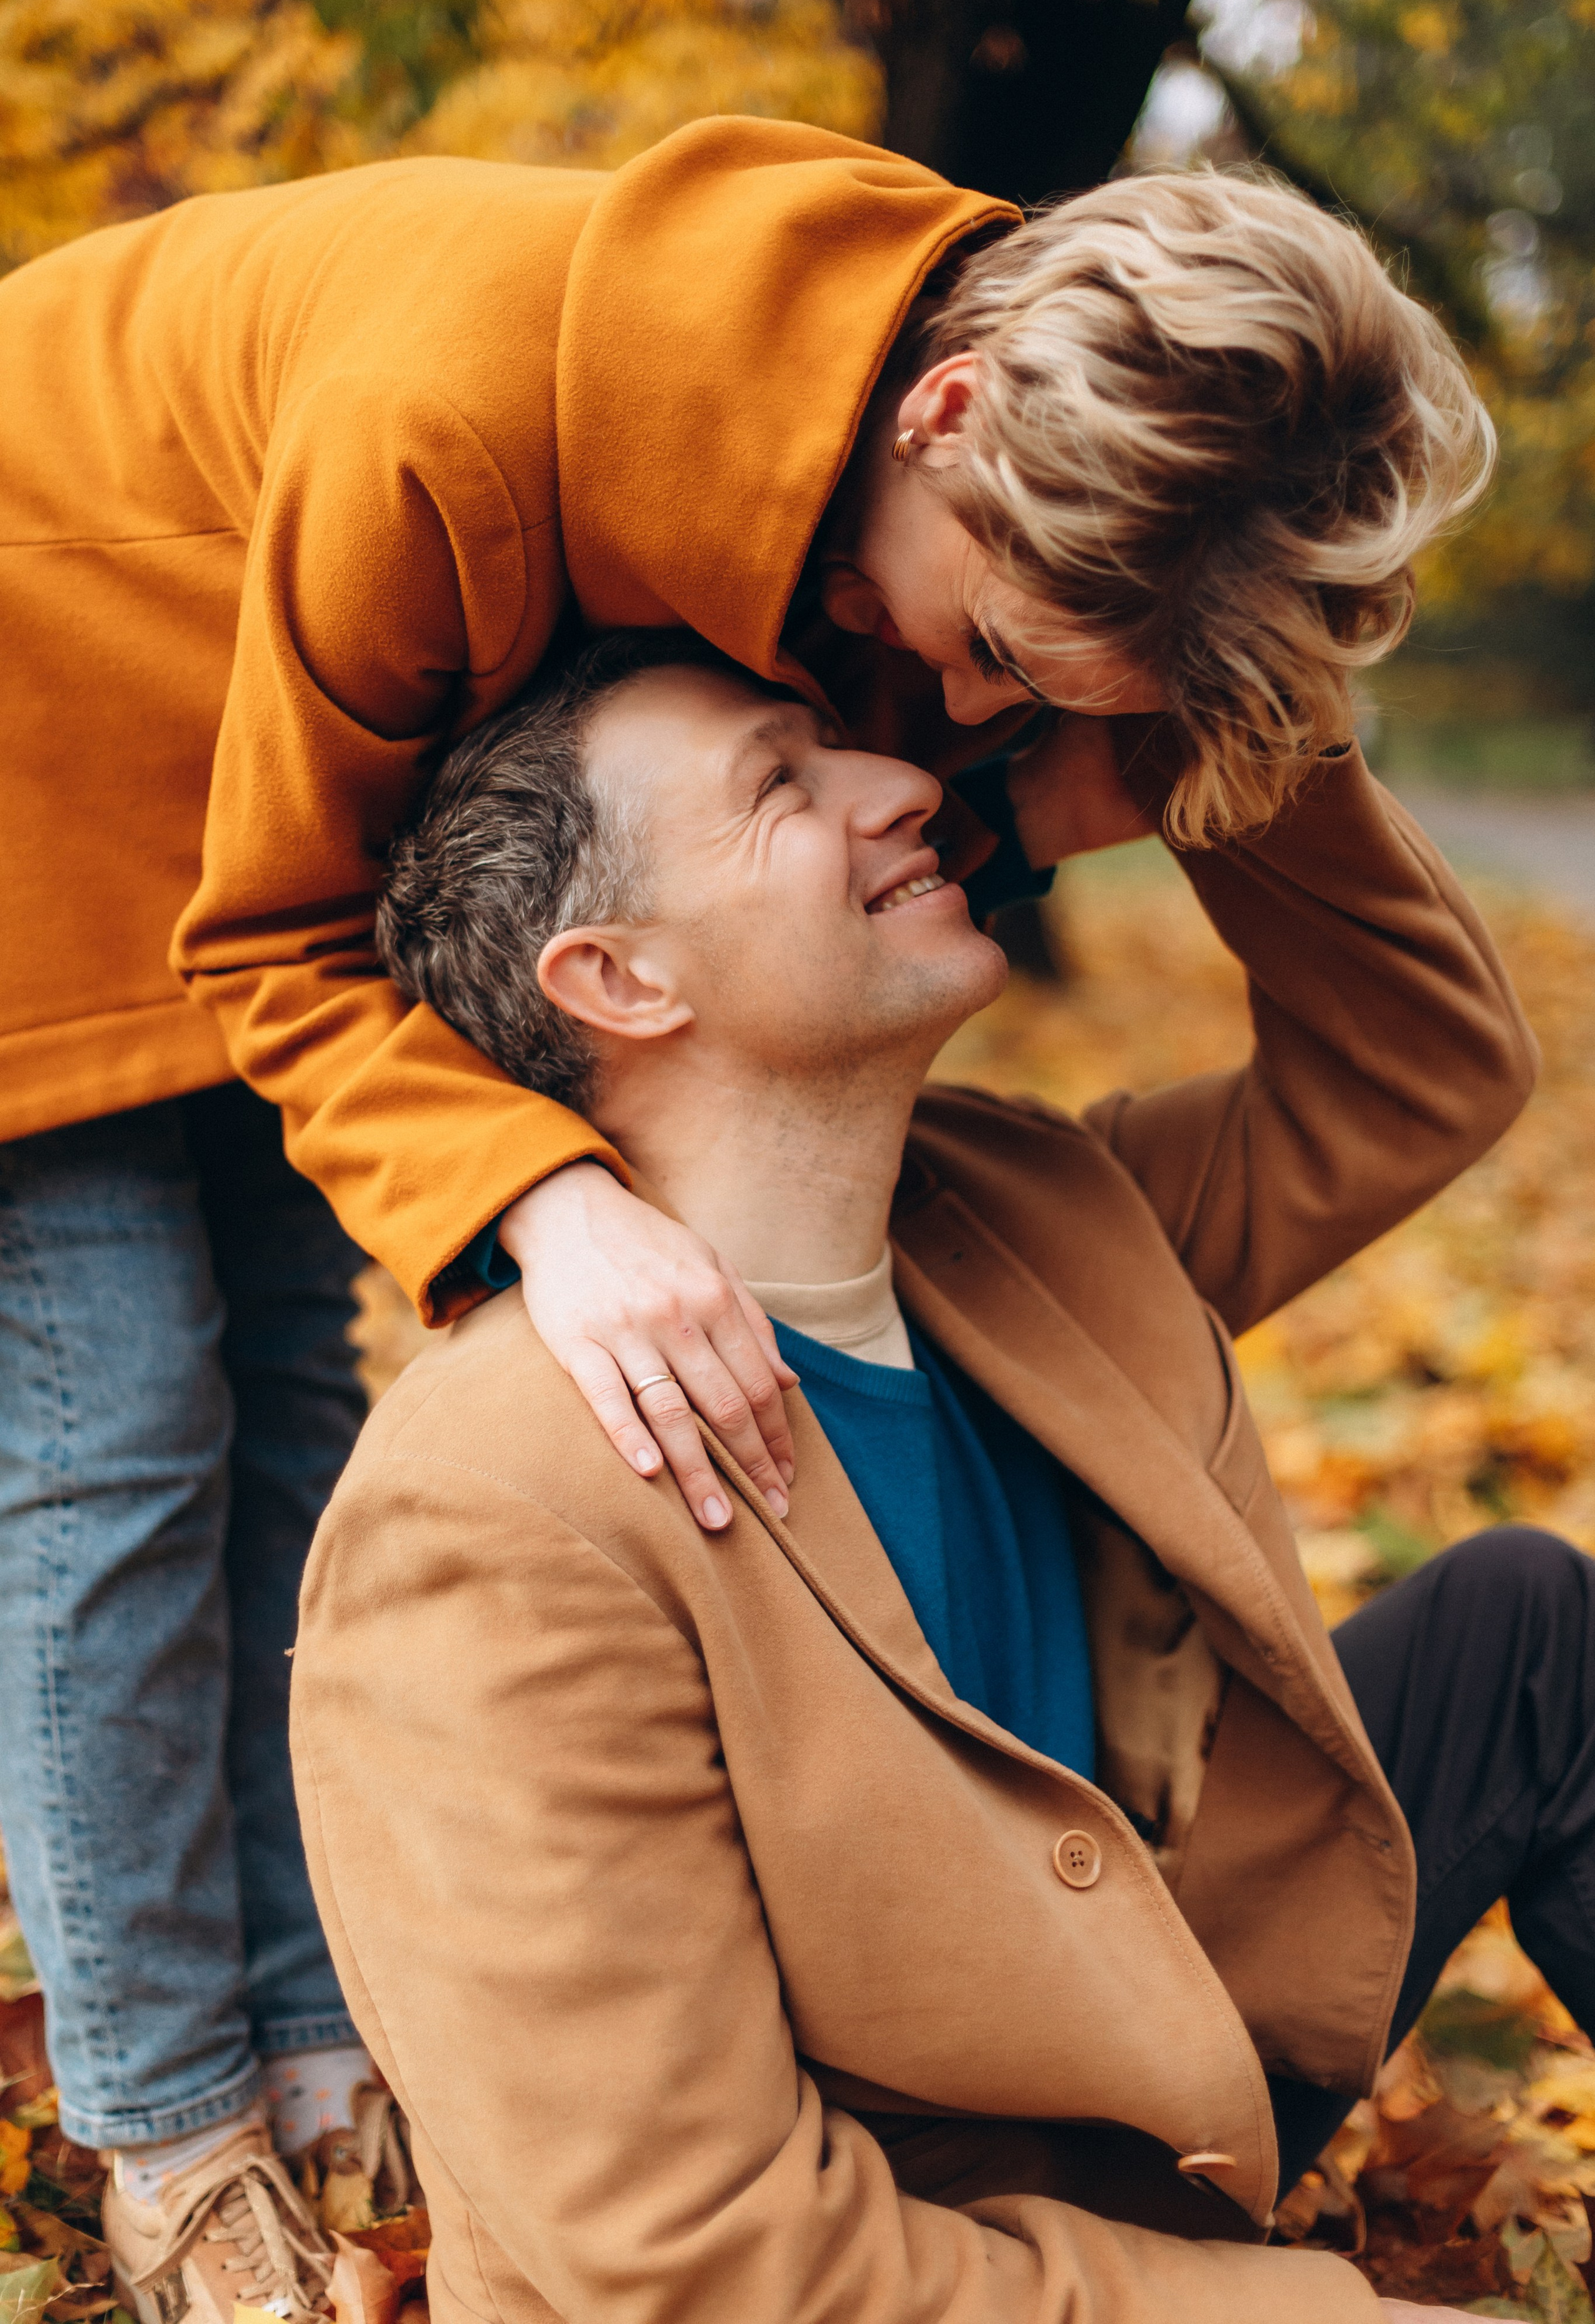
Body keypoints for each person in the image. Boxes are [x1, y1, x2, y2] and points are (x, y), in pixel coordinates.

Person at [1, 126, 1490, 2295]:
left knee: (286, 1392)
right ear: (951, 417)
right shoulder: (460, 423)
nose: (971, 727)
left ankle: (330, 2034)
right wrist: (539, 1192)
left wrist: (1222, 694)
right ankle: (170, 2116)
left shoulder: (961, 437)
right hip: (42, 689)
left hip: (294, 724)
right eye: (995, 653)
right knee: (125, 1405)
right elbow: (277, 933)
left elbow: (1397, 1036)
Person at [288, 633, 1570, 2324]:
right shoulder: (494, 1509)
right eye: (781, 785)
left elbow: (1425, 1071)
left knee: (1529, 1630)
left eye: (847, 748)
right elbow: (702, 2263)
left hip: (1148, 2090)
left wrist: (1216, 726)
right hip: (885, 2271)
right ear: (618, 979)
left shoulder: (1027, 1214)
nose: (910, 790)